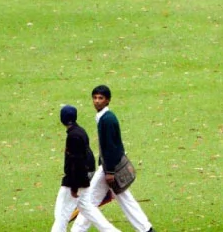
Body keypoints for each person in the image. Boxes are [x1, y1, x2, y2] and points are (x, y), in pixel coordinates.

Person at [71, 86, 155, 232]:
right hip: (108, 167)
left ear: (108, 100)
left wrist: (109, 171)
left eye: (101, 98)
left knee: (90, 201)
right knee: (122, 198)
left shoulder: (107, 120)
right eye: (95, 98)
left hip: (109, 168)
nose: (97, 101)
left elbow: (111, 147)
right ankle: (146, 228)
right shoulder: (104, 117)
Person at [51, 105, 123, 232]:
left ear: (62, 119)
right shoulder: (81, 132)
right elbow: (87, 157)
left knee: (61, 215)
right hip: (83, 180)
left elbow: (75, 162)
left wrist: (74, 186)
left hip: (74, 182)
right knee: (91, 212)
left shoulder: (73, 136)